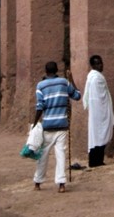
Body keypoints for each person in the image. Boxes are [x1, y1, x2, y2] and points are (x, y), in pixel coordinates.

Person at [31, 61, 81, 193]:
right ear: (57, 70)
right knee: (61, 155)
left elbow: (40, 106)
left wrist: (35, 123)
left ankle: (38, 182)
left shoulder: (40, 86)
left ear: (46, 72)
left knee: (43, 155)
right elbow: (77, 96)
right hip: (62, 124)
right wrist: (72, 80)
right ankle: (61, 184)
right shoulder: (64, 83)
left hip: (48, 125)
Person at [83, 54, 114, 167]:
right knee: (97, 134)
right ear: (92, 65)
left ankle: (98, 160)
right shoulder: (95, 78)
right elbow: (97, 96)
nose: (100, 65)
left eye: (101, 62)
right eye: (97, 63)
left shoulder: (97, 77)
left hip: (101, 110)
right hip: (98, 111)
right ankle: (94, 161)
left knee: (101, 134)